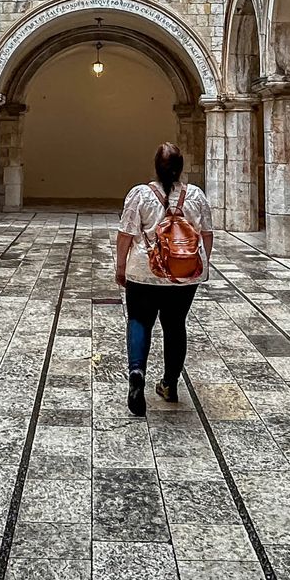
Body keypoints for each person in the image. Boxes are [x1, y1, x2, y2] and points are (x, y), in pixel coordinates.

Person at [114, 142, 213, 417]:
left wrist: (120, 266)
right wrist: (199, 265)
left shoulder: (140, 195)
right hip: (184, 275)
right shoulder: (196, 196)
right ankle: (170, 384)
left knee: (138, 320)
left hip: (144, 272)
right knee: (175, 325)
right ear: (181, 168)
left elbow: (126, 233)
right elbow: (206, 234)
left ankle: (136, 373)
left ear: (156, 167)